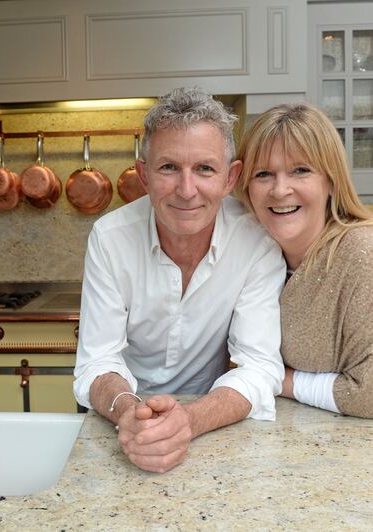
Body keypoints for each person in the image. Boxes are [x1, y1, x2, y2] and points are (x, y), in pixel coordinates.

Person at [73, 87, 286, 473]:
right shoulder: (110, 238)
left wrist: (187, 420)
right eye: (169, 167)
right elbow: (98, 361)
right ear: (144, 176)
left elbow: (258, 365)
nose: (187, 191)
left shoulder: (256, 241)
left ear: (230, 177)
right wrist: (131, 414)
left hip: (213, 422)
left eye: (205, 169)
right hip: (121, 418)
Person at [236, 102, 373, 419]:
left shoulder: (367, 250)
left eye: (300, 170)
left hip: (371, 443)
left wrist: (276, 378)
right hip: (284, 435)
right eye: (263, 174)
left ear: (332, 180)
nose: (280, 190)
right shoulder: (254, 252)